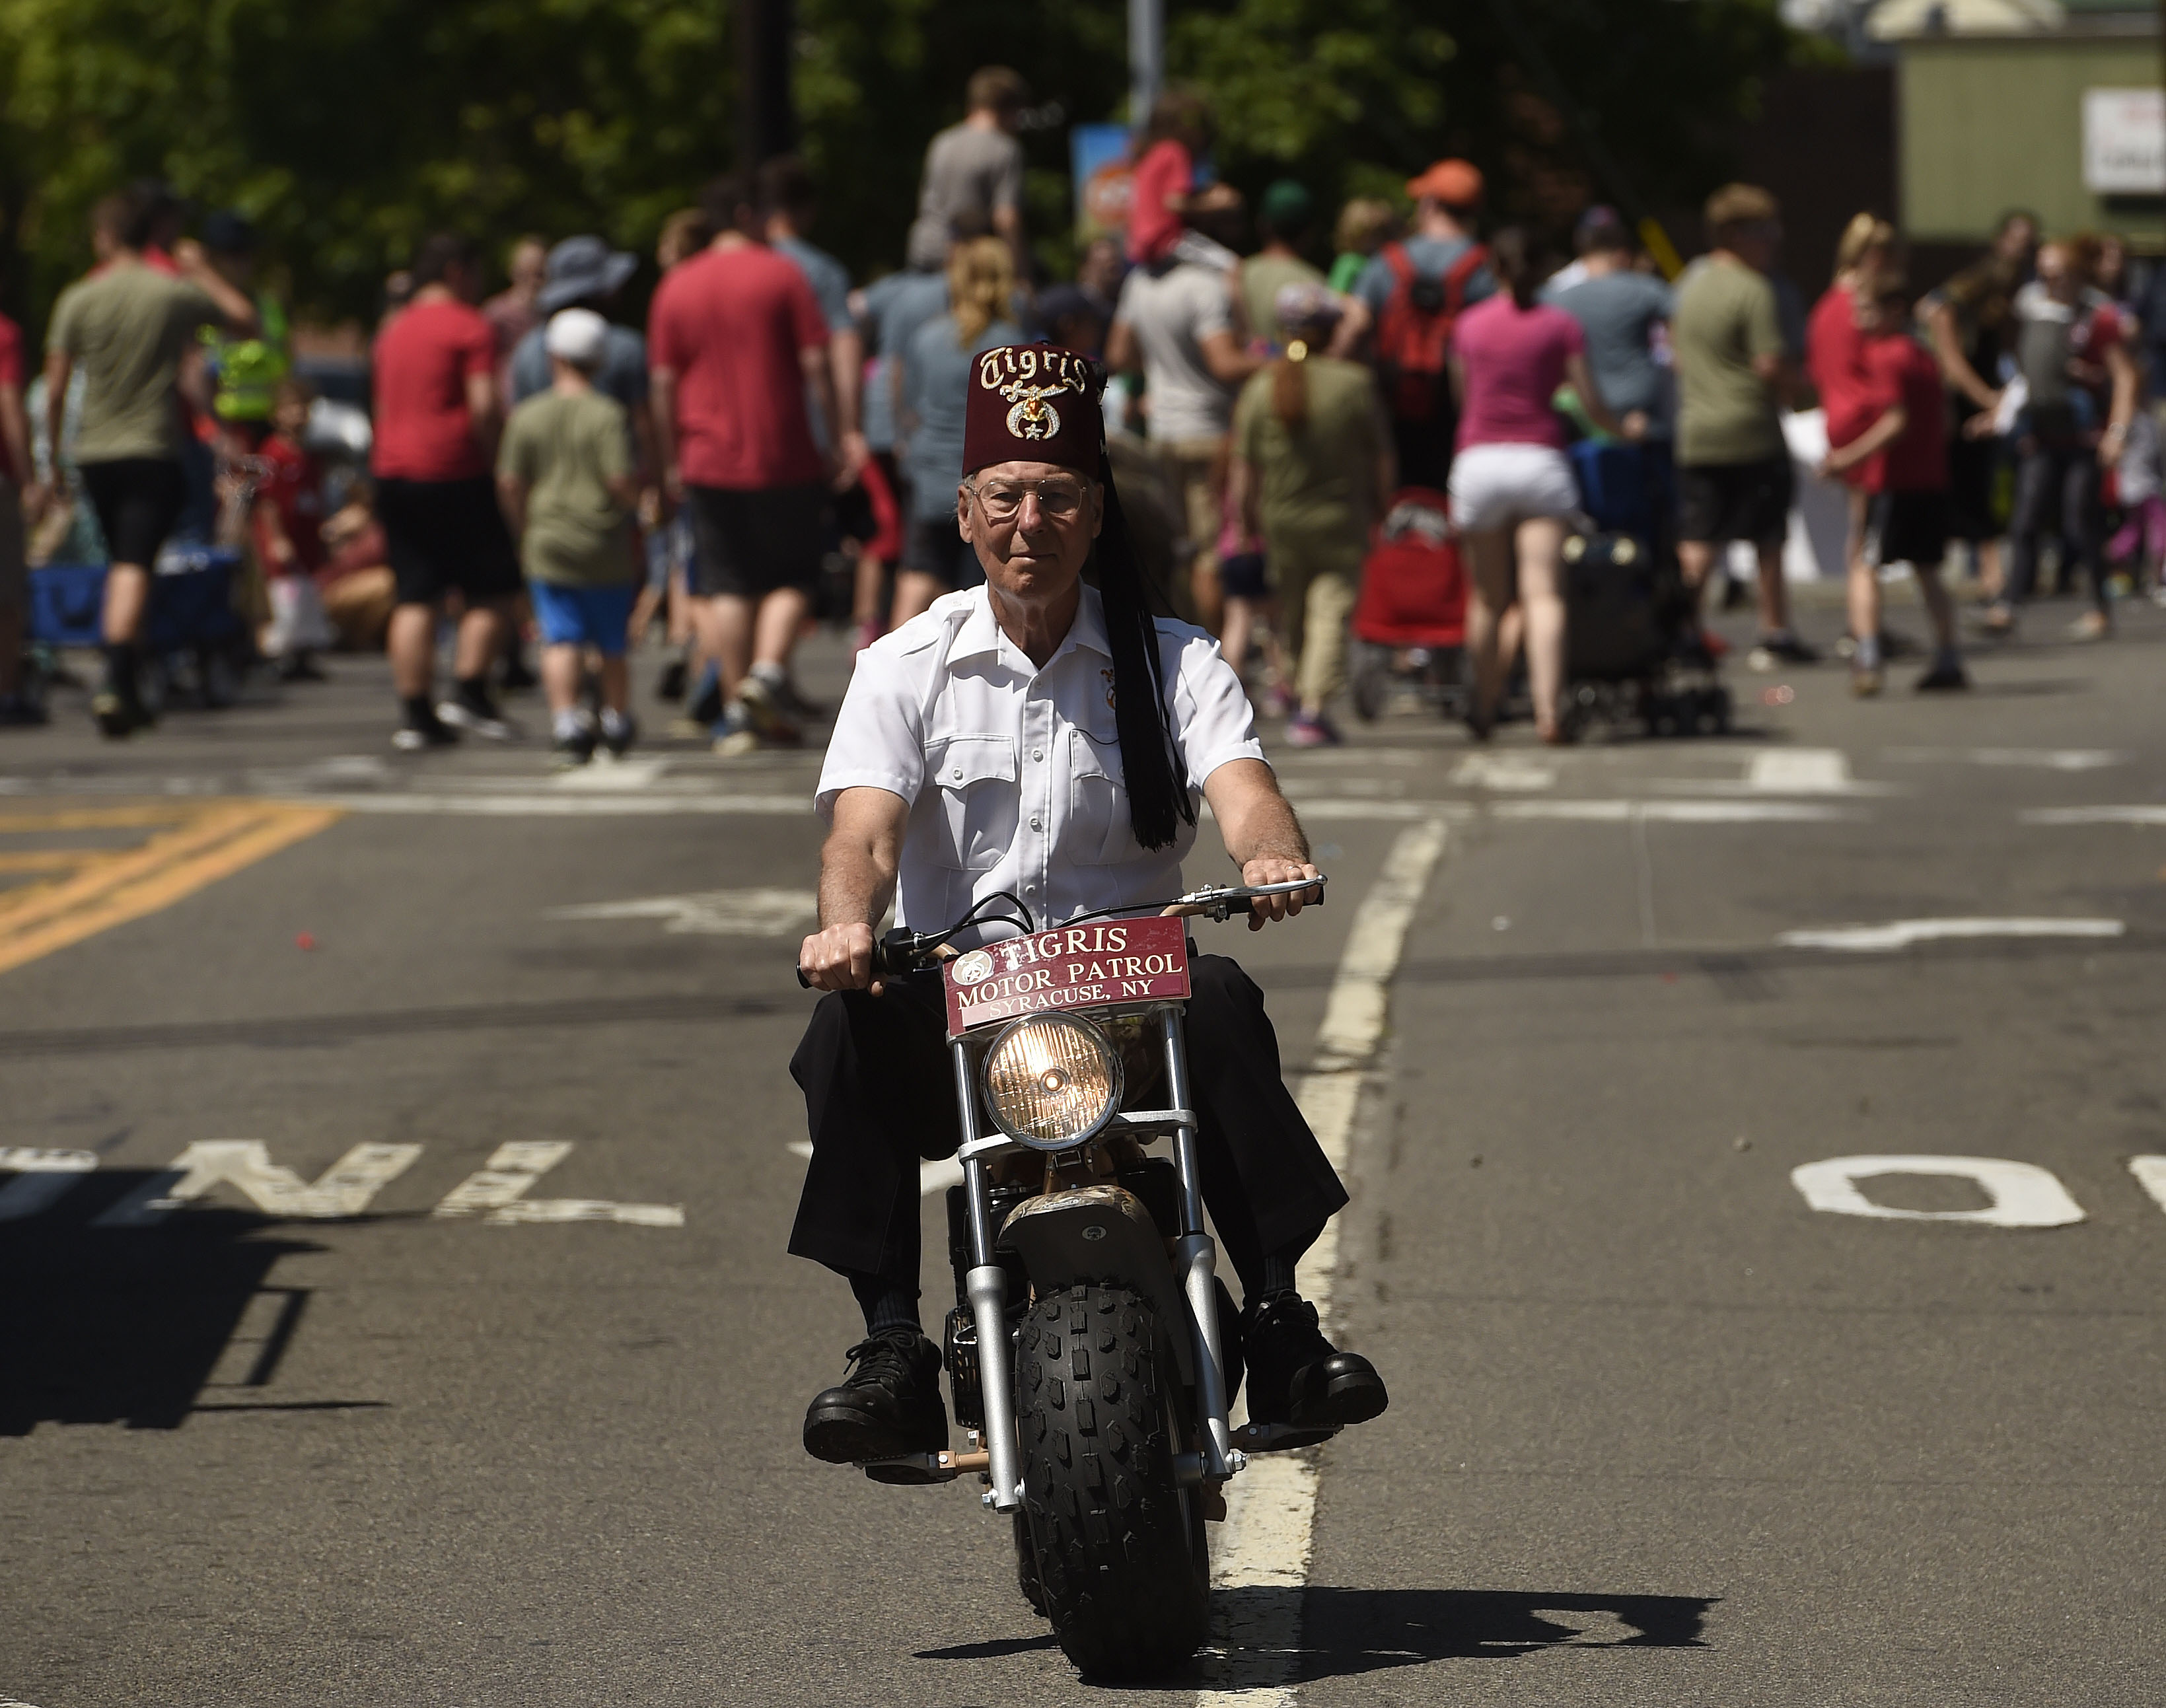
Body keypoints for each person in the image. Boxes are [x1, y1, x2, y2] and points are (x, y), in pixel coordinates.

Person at [791, 341, 1387, 1468]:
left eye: (1057, 495)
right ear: (965, 513)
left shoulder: (1172, 661)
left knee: (1222, 997)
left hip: (1133, 1008)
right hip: (964, 1006)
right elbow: (859, 835)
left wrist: (1268, 857)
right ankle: (890, 1349)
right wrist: (846, 925)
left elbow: (1246, 794)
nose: (1031, 521)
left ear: (1096, 510)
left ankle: (1277, 1317)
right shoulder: (903, 664)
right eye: (1006, 496)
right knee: (846, 1025)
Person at [42, 190, 259, 737]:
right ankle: (117, 676)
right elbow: (244, 320)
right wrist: (203, 270)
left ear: (108, 236)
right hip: (151, 447)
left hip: (93, 450)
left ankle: (135, 683)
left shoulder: (79, 297)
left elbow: (53, 390)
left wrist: (52, 465)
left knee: (123, 561)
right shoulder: (170, 293)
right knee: (134, 565)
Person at [648, 172, 840, 755]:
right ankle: (766, 672)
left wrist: (668, 457)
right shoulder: (783, 274)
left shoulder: (676, 285)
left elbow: (661, 383)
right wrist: (836, 435)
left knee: (728, 582)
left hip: (704, 457)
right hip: (783, 453)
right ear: (743, 214)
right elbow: (816, 364)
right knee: (793, 577)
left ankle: (736, 713)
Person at [1449, 228, 1637, 744]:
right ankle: (1547, 712)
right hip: (1540, 459)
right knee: (1544, 594)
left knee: (1487, 598)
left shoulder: (1468, 325)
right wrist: (1621, 431)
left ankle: (1483, 707)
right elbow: (1588, 401)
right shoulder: (1560, 326)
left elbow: (1462, 396)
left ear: (1494, 270)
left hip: (1480, 459)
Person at [371, 230, 524, 749]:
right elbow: (483, 404)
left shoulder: (393, 329)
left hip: (394, 471)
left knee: (415, 594)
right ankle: (469, 688)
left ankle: (416, 713)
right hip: (455, 469)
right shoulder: (470, 326)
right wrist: (499, 456)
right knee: (495, 586)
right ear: (458, 272)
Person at [1230, 285, 1392, 746]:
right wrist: (1383, 503)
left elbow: (1245, 468)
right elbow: (1380, 456)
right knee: (1330, 610)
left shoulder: (1261, 388)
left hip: (1280, 519)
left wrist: (1243, 524)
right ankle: (1313, 706)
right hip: (1340, 518)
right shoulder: (1353, 383)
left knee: (1296, 615)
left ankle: (1303, 694)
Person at [1671, 183, 1813, 668]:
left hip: (1696, 429)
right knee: (1767, 538)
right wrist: (1804, 391)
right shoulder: (1755, 289)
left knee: (1698, 539)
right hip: (1750, 430)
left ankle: (1684, 631)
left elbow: (1674, 353)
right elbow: (1770, 363)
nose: (1771, 242)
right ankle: (1774, 631)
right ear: (1732, 234)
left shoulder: (1689, 285)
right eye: (1761, 232)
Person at [498, 308, 641, 764]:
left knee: (559, 637)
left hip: (548, 538)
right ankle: (616, 720)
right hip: (604, 541)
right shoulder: (607, 414)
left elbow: (510, 481)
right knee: (611, 641)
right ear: (599, 359)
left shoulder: (527, 414)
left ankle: (566, 720)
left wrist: (524, 527)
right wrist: (637, 504)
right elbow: (619, 477)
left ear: (553, 355)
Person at [1106, 229, 1264, 630]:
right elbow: (1224, 363)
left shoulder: (1139, 281)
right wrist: (1283, 362)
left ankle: (1174, 639)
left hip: (1163, 432)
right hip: (1208, 432)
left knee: (1178, 549)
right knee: (1208, 555)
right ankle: (1204, 648)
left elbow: (1119, 354)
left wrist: (1165, 368)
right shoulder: (1206, 285)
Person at [1817, 281, 1967, 694]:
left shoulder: (1885, 356)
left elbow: (1895, 421)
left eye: (1867, 310)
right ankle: (1949, 656)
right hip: (1930, 480)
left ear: (1894, 310)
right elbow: (1945, 419)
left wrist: (1847, 458)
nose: (1858, 319)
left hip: (1892, 483)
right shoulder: (1923, 355)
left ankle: (1867, 656)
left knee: (1864, 566)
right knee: (1928, 570)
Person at [1993, 236, 2138, 641]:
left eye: (2057, 273)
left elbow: (2125, 377)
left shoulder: (2097, 316)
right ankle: (2008, 603)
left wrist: (2117, 433)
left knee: (2079, 521)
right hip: (2041, 432)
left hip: (2083, 435)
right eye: (2044, 272)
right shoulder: (2033, 308)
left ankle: (2100, 605)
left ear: (2076, 274)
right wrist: (2004, 414)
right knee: (2025, 517)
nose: (2049, 281)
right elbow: (2024, 372)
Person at [894, 236, 1024, 625]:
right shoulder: (1012, 345)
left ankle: (890, 665)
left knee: (919, 575)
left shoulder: (926, 338)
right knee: (987, 589)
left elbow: (909, 408)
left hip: (930, 471)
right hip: (989, 482)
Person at [1355, 160, 1496, 493]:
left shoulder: (1386, 262)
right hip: (1460, 407)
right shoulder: (1488, 268)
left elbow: (1355, 324)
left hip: (1393, 401)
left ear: (1430, 204)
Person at [1921, 210, 2035, 603]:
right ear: (2000, 240)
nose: (2022, 250)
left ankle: (1989, 579)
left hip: (1982, 395)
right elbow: (1937, 312)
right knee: (1965, 487)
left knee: (1976, 486)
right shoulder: (1982, 278)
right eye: (2017, 240)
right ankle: (1986, 579)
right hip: (1964, 401)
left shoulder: (2013, 286)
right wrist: (1985, 397)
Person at [1805, 213, 1899, 674]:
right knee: (1864, 535)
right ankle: (1862, 627)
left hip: (1836, 418)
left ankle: (1862, 621)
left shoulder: (1825, 304)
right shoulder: (1862, 306)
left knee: (1859, 528)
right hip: (1864, 422)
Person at [1544, 207, 1675, 444]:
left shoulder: (1552, 296)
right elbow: (1677, 348)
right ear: (1624, 252)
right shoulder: (1647, 289)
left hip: (1579, 415)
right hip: (1642, 414)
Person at [250, 376, 334, 680]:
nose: (299, 415)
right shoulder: (274, 453)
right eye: (292, 408)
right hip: (285, 539)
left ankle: (303, 653)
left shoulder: (310, 456)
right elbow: (268, 501)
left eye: (304, 408)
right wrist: (277, 539)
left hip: (306, 537)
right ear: (277, 414)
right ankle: (278, 653)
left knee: (307, 596)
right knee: (286, 599)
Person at [909, 66, 1030, 276]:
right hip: (966, 260)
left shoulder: (942, 141)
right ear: (1011, 110)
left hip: (923, 248)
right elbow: (1006, 218)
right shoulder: (1004, 149)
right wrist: (1020, 272)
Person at [196, 210, 291, 452]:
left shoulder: (269, 307)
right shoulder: (200, 307)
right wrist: (216, 430)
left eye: (248, 254)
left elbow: (285, 366)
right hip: (220, 429)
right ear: (213, 259)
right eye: (234, 255)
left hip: (269, 427)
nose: (243, 263)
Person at [0, 276, 38, 725]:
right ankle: (5, 693)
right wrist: (28, 476)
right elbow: (9, 403)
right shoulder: (5, 334)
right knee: (6, 590)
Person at [484, 235, 549, 403]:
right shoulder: (495, 313)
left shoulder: (551, 313)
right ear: (513, 271)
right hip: (507, 400)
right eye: (525, 272)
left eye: (539, 274)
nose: (533, 281)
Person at [1329, 198, 1397, 296]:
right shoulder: (1348, 263)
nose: (1376, 241)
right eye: (1371, 236)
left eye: (1379, 235)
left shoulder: (1378, 263)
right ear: (1354, 235)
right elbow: (1336, 295)